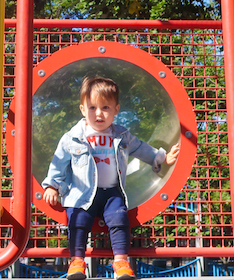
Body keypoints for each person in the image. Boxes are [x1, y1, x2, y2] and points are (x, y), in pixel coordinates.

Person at [41, 76, 181, 280]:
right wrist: (52, 186)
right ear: (82, 109)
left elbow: (141, 148)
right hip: (82, 192)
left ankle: (121, 262)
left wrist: (161, 157)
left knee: (119, 219)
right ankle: (77, 261)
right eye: (92, 108)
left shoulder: (121, 135)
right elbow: (59, 162)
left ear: (116, 109)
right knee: (77, 221)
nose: (99, 113)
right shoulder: (72, 137)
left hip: (111, 192)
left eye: (105, 107)